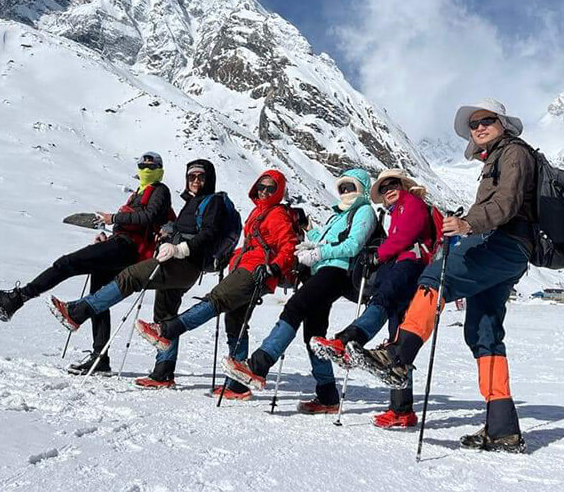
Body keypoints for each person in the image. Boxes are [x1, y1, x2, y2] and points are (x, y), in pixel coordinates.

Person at [349, 99, 536, 453]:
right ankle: (502, 428)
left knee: (435, 276)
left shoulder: (512, 153)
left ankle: (398, 355)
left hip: (501, 242)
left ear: (503, 123)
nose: (479, 127)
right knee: (484, 333)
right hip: (509, 248)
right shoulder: (497, 156)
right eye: (474, 124)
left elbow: (507, 203)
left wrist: (469, 223)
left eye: (487, 120)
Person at [0, 152, 172, 375]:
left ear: (160, 169)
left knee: (67, 263)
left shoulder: (160, 190)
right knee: (98, 298)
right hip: (122, 245)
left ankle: (16, 299)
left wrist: (113, 219)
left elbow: (147, 218)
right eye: (143, 165)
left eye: (152, 166)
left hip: (128, 248)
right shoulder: (140, 192)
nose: (147, 169)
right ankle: (100, 358)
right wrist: (108, 236)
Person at [49, 159, 232, 387]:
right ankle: (163, 372)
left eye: (201, 177)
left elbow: (209, 234)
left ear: (209, 178)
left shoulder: (211, 201)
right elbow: (184, 229)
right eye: (191, 177)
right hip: (181, 263)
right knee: (165, 314)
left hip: (183, 263)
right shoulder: (193, 202)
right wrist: (168, 234)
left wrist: (180, 248)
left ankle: (78, 312)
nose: (196, 181)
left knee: (131, 276)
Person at [132, 170, 299, 399]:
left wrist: (275, 268)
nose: (264, 191)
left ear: (279, 191)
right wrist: (230, 258)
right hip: (248, 268)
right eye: (261, 186)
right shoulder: (258, 212)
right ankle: (238, 385)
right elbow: (253, 246)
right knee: (236, 323)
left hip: (256, 272)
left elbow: (288, 246)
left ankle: (167, 330)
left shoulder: (277, 214)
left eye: (271, 188)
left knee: (216, 300)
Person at [221, 169, 377, 414]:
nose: (346, 192)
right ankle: (327, 396)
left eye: (352, 187)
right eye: (343, 187)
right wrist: (308, 231)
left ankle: (258, 365)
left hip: (336, 271)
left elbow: (353, 245)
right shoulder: (340, 214)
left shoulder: (364, 210)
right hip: (322, 271)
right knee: (314, 334)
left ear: (363, 189)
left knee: (294, 307)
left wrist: (318, 253)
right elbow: (326, 240)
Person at [309, 169, 435, 428]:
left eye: (393, 184)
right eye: (384, 186)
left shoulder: (411, 203)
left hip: (408, 264)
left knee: (383, 301)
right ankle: (401, 409)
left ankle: (347, 340)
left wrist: (378, 256)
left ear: (403, 186)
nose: (389, 189)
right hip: (403, 265)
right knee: (397, 334)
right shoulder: (392, 212)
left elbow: (405, 237)